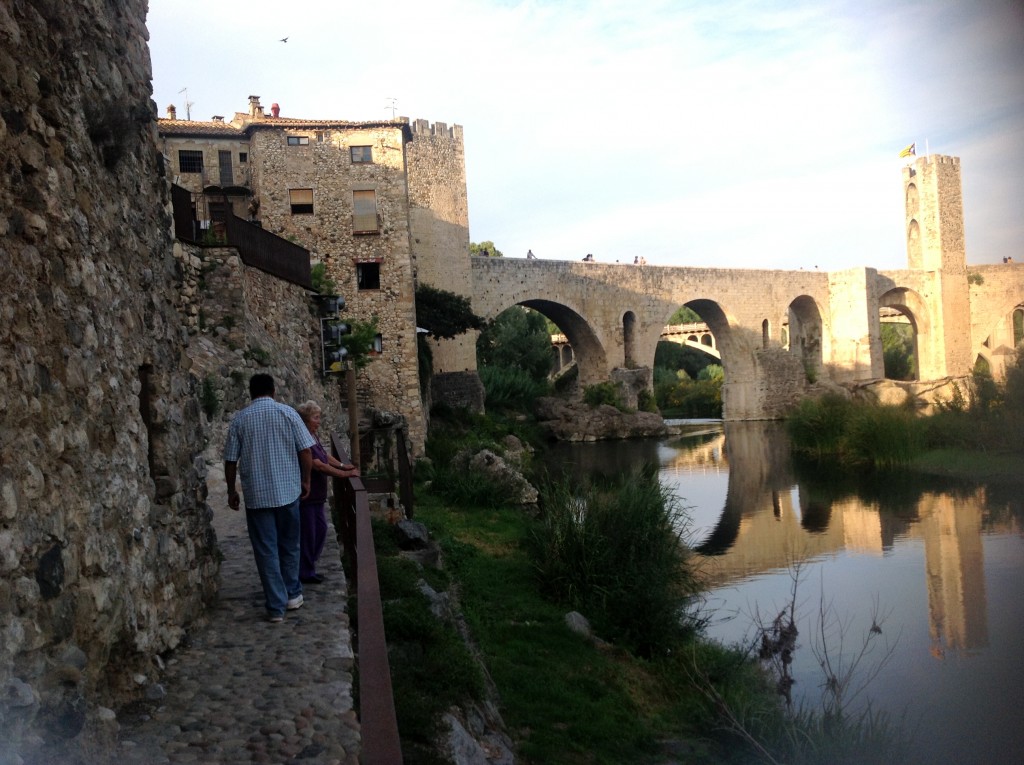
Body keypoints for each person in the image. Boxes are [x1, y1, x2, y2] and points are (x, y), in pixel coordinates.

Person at [224, 374, 315, 623]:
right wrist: (306, 480)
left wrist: (231, 490)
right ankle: (293, 594)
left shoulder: (240, 420)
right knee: (290, 545)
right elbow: (306, 451)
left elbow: (230, 461)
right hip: (288, 492)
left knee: (266, 551)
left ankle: (276, 607)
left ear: (251, 393)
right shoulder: (288, 413)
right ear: (274, 391)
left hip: (258, 496)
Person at [294, 400, 360, 584]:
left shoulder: (312, 436)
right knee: (309, 534)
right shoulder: (304, 437)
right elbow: (319, 465)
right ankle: (305, 571)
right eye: (316, 418)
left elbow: (324, 456)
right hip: (308, 495)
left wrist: (342, 465)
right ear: (306, 420)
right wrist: (344, 474)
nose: (319, 421)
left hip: (317, 496)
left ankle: (308, 567)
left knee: (320, 530)